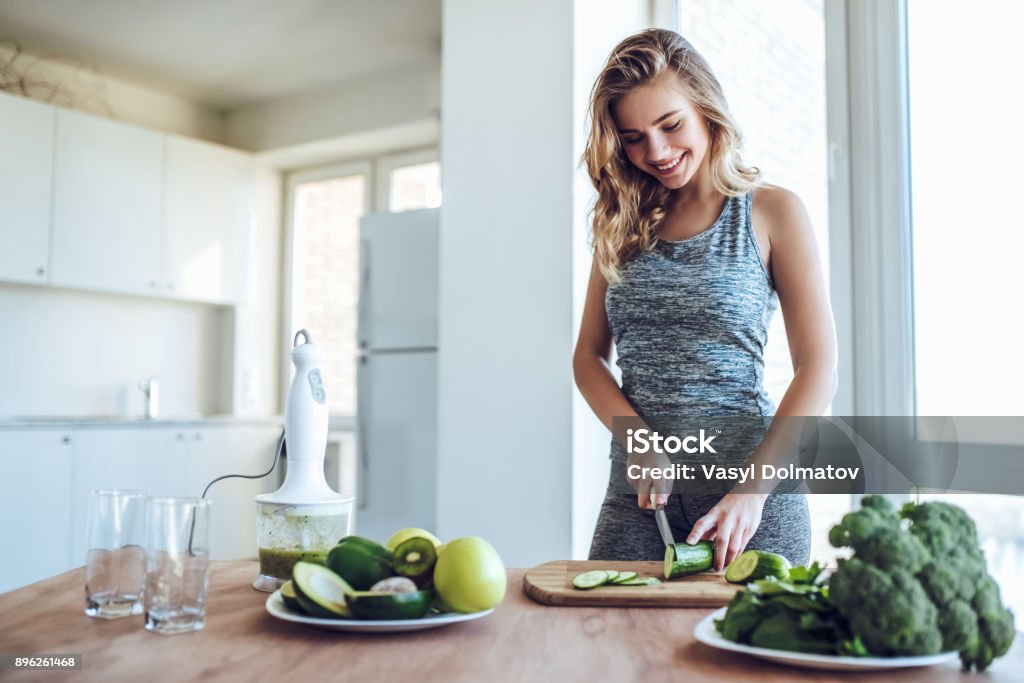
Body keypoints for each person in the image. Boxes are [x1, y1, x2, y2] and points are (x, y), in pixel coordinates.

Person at [574, 28, 838, 570]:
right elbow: (588, 357)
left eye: (670, 126)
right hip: (639, 497)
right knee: (612, 647)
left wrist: (752, 493)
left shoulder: (771, 212)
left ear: (705, 109)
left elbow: (820, 366)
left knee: (747, 652)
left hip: (751, 493)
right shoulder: (617, 224)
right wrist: (635, 438)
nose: (658, 152)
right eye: (633, 137)